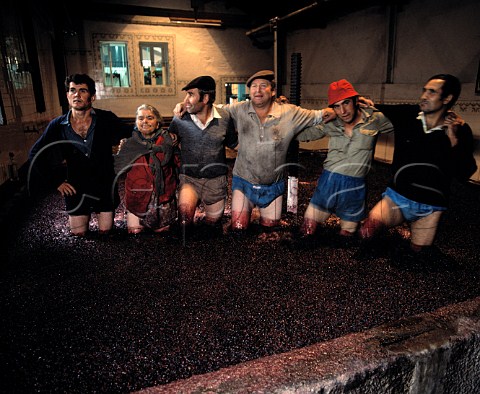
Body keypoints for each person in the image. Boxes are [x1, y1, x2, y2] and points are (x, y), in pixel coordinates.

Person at [174, 70, 342, 232]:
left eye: (263, 85)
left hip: (273, 184)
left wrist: (355, 106)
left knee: (269, 227)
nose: (258, 90)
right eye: (254, 86)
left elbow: (321, 115)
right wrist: (185, 104)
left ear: (273, 90)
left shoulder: (290, 112)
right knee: (238, 228)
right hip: (244, 181)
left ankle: (257, 211)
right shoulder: (238, 110)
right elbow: (210, 107)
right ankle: (246, 211)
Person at [358, 74, 477, 265]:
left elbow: (464, 174)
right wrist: (362, 103)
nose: (424, 95)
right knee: (367, 232)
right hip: (397, 197)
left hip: (430, 207)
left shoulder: (460, 130)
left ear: (447, 98)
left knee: (417, 257)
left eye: (432, 92)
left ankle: (413, 234)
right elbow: (373, 107)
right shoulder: (408, 115)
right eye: (424, 90)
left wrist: (454, 140)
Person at [28, 73, 130, 236]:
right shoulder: (58, 125)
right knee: (78, 235)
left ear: (92, 96)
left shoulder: (106, 119)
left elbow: (135, 132)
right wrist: (56, 181)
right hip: (76, 188)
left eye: (82, 90)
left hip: (104, 185)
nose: (77, 94)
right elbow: (35, 153)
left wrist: (169, 135)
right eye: (72, 90)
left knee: (106, 234)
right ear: (68, 95)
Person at [296, 79, 394, 239]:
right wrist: (287, 117)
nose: (343, 111)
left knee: (347, 235)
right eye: (337, 106)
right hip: (329, 181)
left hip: (355, 185)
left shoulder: (374, 119)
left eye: (346, 103)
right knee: (307, 229)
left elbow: (403, 125)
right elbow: (303, 134)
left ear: (356, 100)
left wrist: (375, 107)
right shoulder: (330, 122)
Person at [167, 76, 238, 234]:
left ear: (205, 98)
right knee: (184, 224)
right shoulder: (180, 119)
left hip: (215, 181)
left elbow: (235, 144)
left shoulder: (225, 118)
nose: (186, 100)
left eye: (191, 94)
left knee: (212, 228)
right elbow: (168, 142)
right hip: (189, 179)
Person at [114, 104, 179, 234]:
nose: (145, 121)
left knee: (163, 234)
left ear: (158, 123)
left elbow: (179, 165)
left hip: (163, 197)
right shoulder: (130, 144)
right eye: (141, 118)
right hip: (137, 197)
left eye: (150, 117)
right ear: (136, 122)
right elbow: (117, 168)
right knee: (135, 232)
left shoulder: (168, 141)